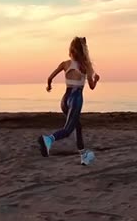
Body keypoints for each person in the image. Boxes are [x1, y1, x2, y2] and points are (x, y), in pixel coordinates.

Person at [38, 36, 100, 166]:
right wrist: (96, 80)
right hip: (75, 99)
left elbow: (49, 78)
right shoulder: (85, 66)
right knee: (67, 130)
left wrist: (49, 87)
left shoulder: (65, 64)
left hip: (65, 100)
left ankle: (83, 156)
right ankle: (48, 139)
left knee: (78, 126)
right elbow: (92, 87)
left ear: (71, 49)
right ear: (84, 51)